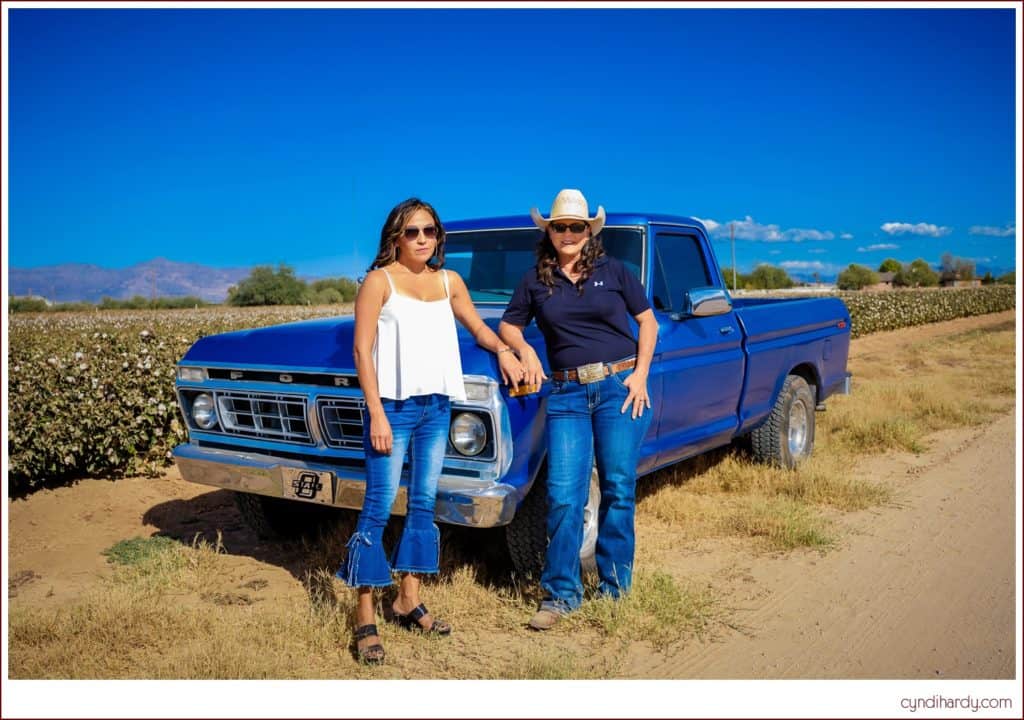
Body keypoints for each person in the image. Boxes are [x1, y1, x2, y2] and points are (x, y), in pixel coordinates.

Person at [339, 197, 524, 664]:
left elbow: (478, 328)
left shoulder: (448, 281)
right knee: (378, 507)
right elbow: (363, 353)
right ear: (394, 237)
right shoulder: (378, 282)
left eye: (429, 231)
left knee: (423, 504)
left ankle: (407, 599)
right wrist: (376, 413)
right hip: (394, 411)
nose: (421, 239)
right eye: (411, 232)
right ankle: (364, 615)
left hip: (436, 409)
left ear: (438, 237)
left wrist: (504, 350)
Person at [498, 188, 658, 631]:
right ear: (548, 231)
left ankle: (614, 589)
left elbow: (648, 321)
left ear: (590, 232)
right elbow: (509, 325)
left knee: (618, 488)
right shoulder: (534, 280)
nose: (567, 233)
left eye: (576, 226)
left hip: (618, 387)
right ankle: (560, 594)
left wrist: (640, 374)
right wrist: (523, 352)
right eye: (559, 226)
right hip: (567, 395)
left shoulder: (615, 272)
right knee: (564, 495)